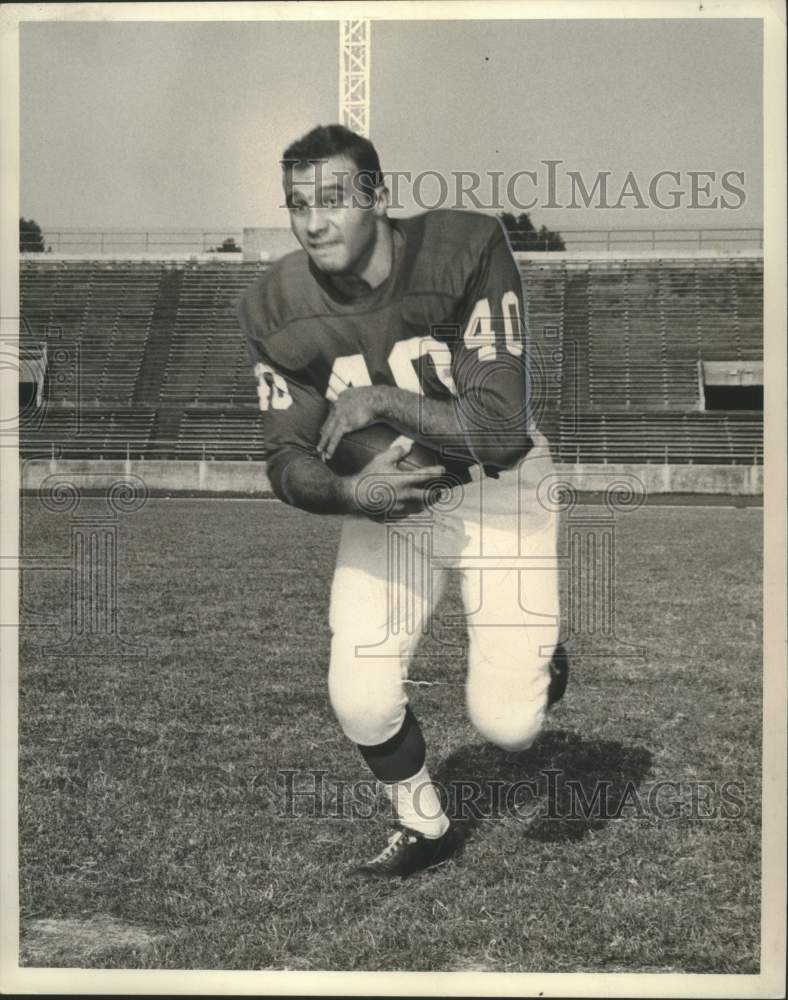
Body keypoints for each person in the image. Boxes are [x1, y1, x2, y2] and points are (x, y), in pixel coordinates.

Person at [238, 124, 566, 878]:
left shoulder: (466, 248)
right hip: (395, 503)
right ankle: (426, 824)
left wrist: (378, 397)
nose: (313, 221)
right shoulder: (274, 305)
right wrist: (350, 490)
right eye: (297, 204)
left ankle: (541, 662)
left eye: (332, 200)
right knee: (357, 693)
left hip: (499, 489)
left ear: (378, 197)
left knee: (509, 725)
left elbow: (497, 427)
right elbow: (284, 456)